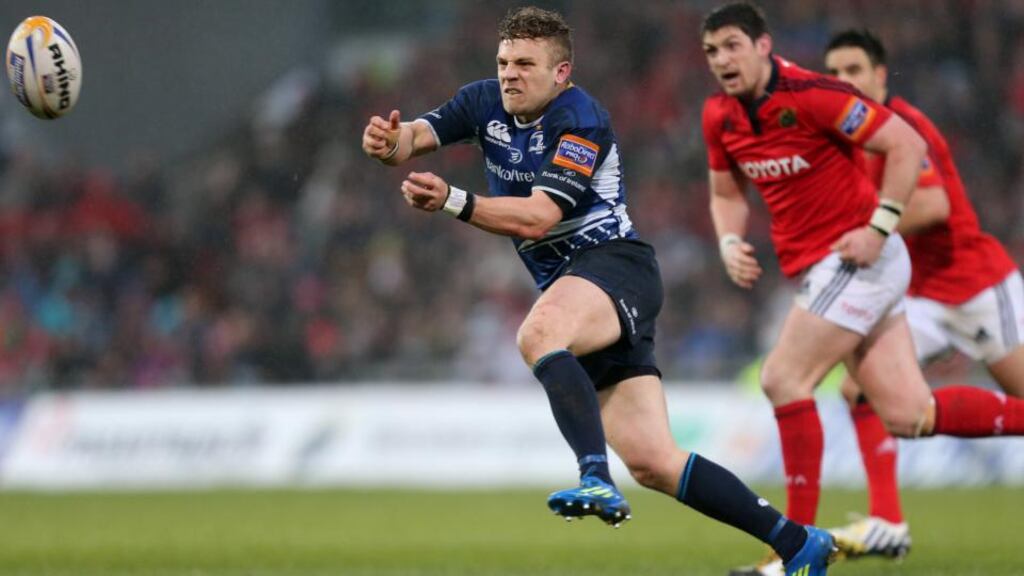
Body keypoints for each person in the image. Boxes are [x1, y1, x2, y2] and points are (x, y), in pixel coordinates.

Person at [362, 6, 835, 576]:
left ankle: (593, 476)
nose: (510, 73)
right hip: (575, 284)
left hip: (615, 266)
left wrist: (454, 201)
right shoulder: (483, 100)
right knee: (656, 462)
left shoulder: (581, 119)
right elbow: (416, 136)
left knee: (539, 332)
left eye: (526, 64)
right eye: (504, 61)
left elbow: (538, 217)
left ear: (561, 73)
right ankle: (798, 543)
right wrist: (391, 143)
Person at [698, 4, 1024, 576]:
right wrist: (728, 241)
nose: (722, 60)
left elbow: (910, 150)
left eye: (732, 46)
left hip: (907, 271)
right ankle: (876, 525)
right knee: (905, 412)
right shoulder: (719, 117)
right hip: (857, 272)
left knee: (782, 378)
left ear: (763, 45)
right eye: (711, 51)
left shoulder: (817, 97)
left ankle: (794, 553)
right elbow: (727, 193)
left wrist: (877, 226)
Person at [822, 28, 1024, 561]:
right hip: (922, 296)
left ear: (880, 75)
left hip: (978, 285)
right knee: (858, 390)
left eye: (854, 71)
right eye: (835, 73)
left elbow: (932, 206)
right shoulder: (850, 137)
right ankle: (888, 521)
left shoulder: (901, 128)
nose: (844, 82)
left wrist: (865, 226)